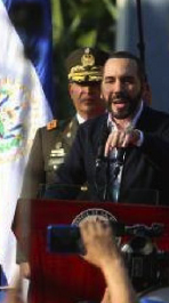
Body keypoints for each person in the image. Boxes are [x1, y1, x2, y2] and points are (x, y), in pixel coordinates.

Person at [47, 51, 169, 205]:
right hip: (100, 221)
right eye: (110, 81)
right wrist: (40, 209)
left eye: (127, 81)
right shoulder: (88, 131)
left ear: (143, 87)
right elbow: (64, 184)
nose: (118, 89)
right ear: (101, 89)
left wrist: (139, 138)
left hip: (149, 220)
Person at [20, 47, 109, 199]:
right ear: (70, 90)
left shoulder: (120, 135)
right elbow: (29, 200)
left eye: (94, 83)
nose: (88, 90)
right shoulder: (47, 137)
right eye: (81, 83)